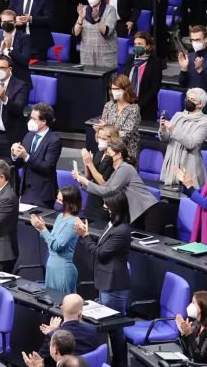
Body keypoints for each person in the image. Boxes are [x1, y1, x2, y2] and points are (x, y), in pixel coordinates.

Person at [74, 191, 133, 367]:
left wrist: (84, 236)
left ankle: (120, 363)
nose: (104, 207)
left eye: (108, 205)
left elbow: (100, 253)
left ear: (116, 208)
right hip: (106, 281)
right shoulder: (112, 224)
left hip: (114, 285)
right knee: (111, 327)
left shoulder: (121, 230)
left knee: (114, 328)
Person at [74, 137, 161, 232]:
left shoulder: (125, 168)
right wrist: (83, 181)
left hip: (148, 211)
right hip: (137, 211)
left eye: (109, 154)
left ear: (119, 155)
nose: (106, 157)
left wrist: (86, 182)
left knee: (150, 244)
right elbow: (104, 187)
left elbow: (108, 191)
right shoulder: (117, 171)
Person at [30, 185, 81, 295]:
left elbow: (57, 246)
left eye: (60, 200)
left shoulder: (73, 222)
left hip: (63, 269)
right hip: (51, 266)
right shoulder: (59, 217)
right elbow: (51, 241)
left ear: (69, 203)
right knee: (50, 302)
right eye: (57, 198)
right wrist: (40, 228)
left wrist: (43, 229)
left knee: (61, 305)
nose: (57, 202)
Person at [12, 102, 62, 206]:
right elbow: (20, 163)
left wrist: (26, 156)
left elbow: (47, 167)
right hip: (26, 192)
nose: (30, 121)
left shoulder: (54, 141)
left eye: (34, 119)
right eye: (31, 118)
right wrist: (15, 154)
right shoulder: (28, 135)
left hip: (43, 195)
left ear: (43, 122)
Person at [160, 87, 207, 187]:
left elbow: (191, 144)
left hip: (189, 166)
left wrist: (173, 130)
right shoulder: (178, 115)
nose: (189, 101)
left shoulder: (204, 122)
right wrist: (163, 129)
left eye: (192, 100)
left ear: (200, 104)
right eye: (188, 98)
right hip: (172, 163)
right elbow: (165, 139)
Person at [179, 25, 207, 127]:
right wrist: (184, 69)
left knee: (206, 142)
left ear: (205, 39)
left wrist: (200, 70)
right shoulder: (189, 57)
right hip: (190, 110)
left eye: (198, 39)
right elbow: (182, 84)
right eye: (193, 40)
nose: (195, 42)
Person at [98, 75, 141, 162]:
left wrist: (107, 128)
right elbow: (103, 129)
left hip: (127, 151)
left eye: (117, 89)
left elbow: (127, 133)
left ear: (125, 90)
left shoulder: (133, 109)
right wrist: (101, 129)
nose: (114, 92)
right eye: (113, 89)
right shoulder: (108, 105)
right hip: (109, 149)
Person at [74, 0, 117, 69]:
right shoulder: (84, 10)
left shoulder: (110, 10)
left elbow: (107, 32)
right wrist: (81, 18)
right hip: (87, 57)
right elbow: (75, 33)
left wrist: (97, 19)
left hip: (105, 57)